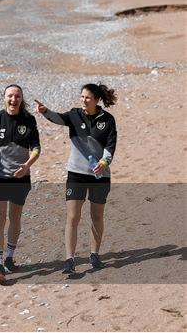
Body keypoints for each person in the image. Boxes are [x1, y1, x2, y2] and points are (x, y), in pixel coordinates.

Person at [35, 83, 117, 274]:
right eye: (81, 97)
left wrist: (104, 163)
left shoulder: (108, 119)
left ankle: (94, 254)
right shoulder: (74, 115)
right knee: (73, 216)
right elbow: (58, 118)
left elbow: (111, 144)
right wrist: (45, 111)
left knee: (96, 216)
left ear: (96, 100)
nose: (83, 100)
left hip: (100, 175)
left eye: (87, 97)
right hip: (76, 174)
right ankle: (69, 259)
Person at [0, 85, 41, 283]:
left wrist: (27, 165)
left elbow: (36, 148)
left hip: (21, 179)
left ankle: (9, 257)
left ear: (21, 99)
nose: (13, 99)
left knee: (15, 219)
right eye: (10, 96)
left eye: (17, 96)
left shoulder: (29, 120)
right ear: (4, 98)